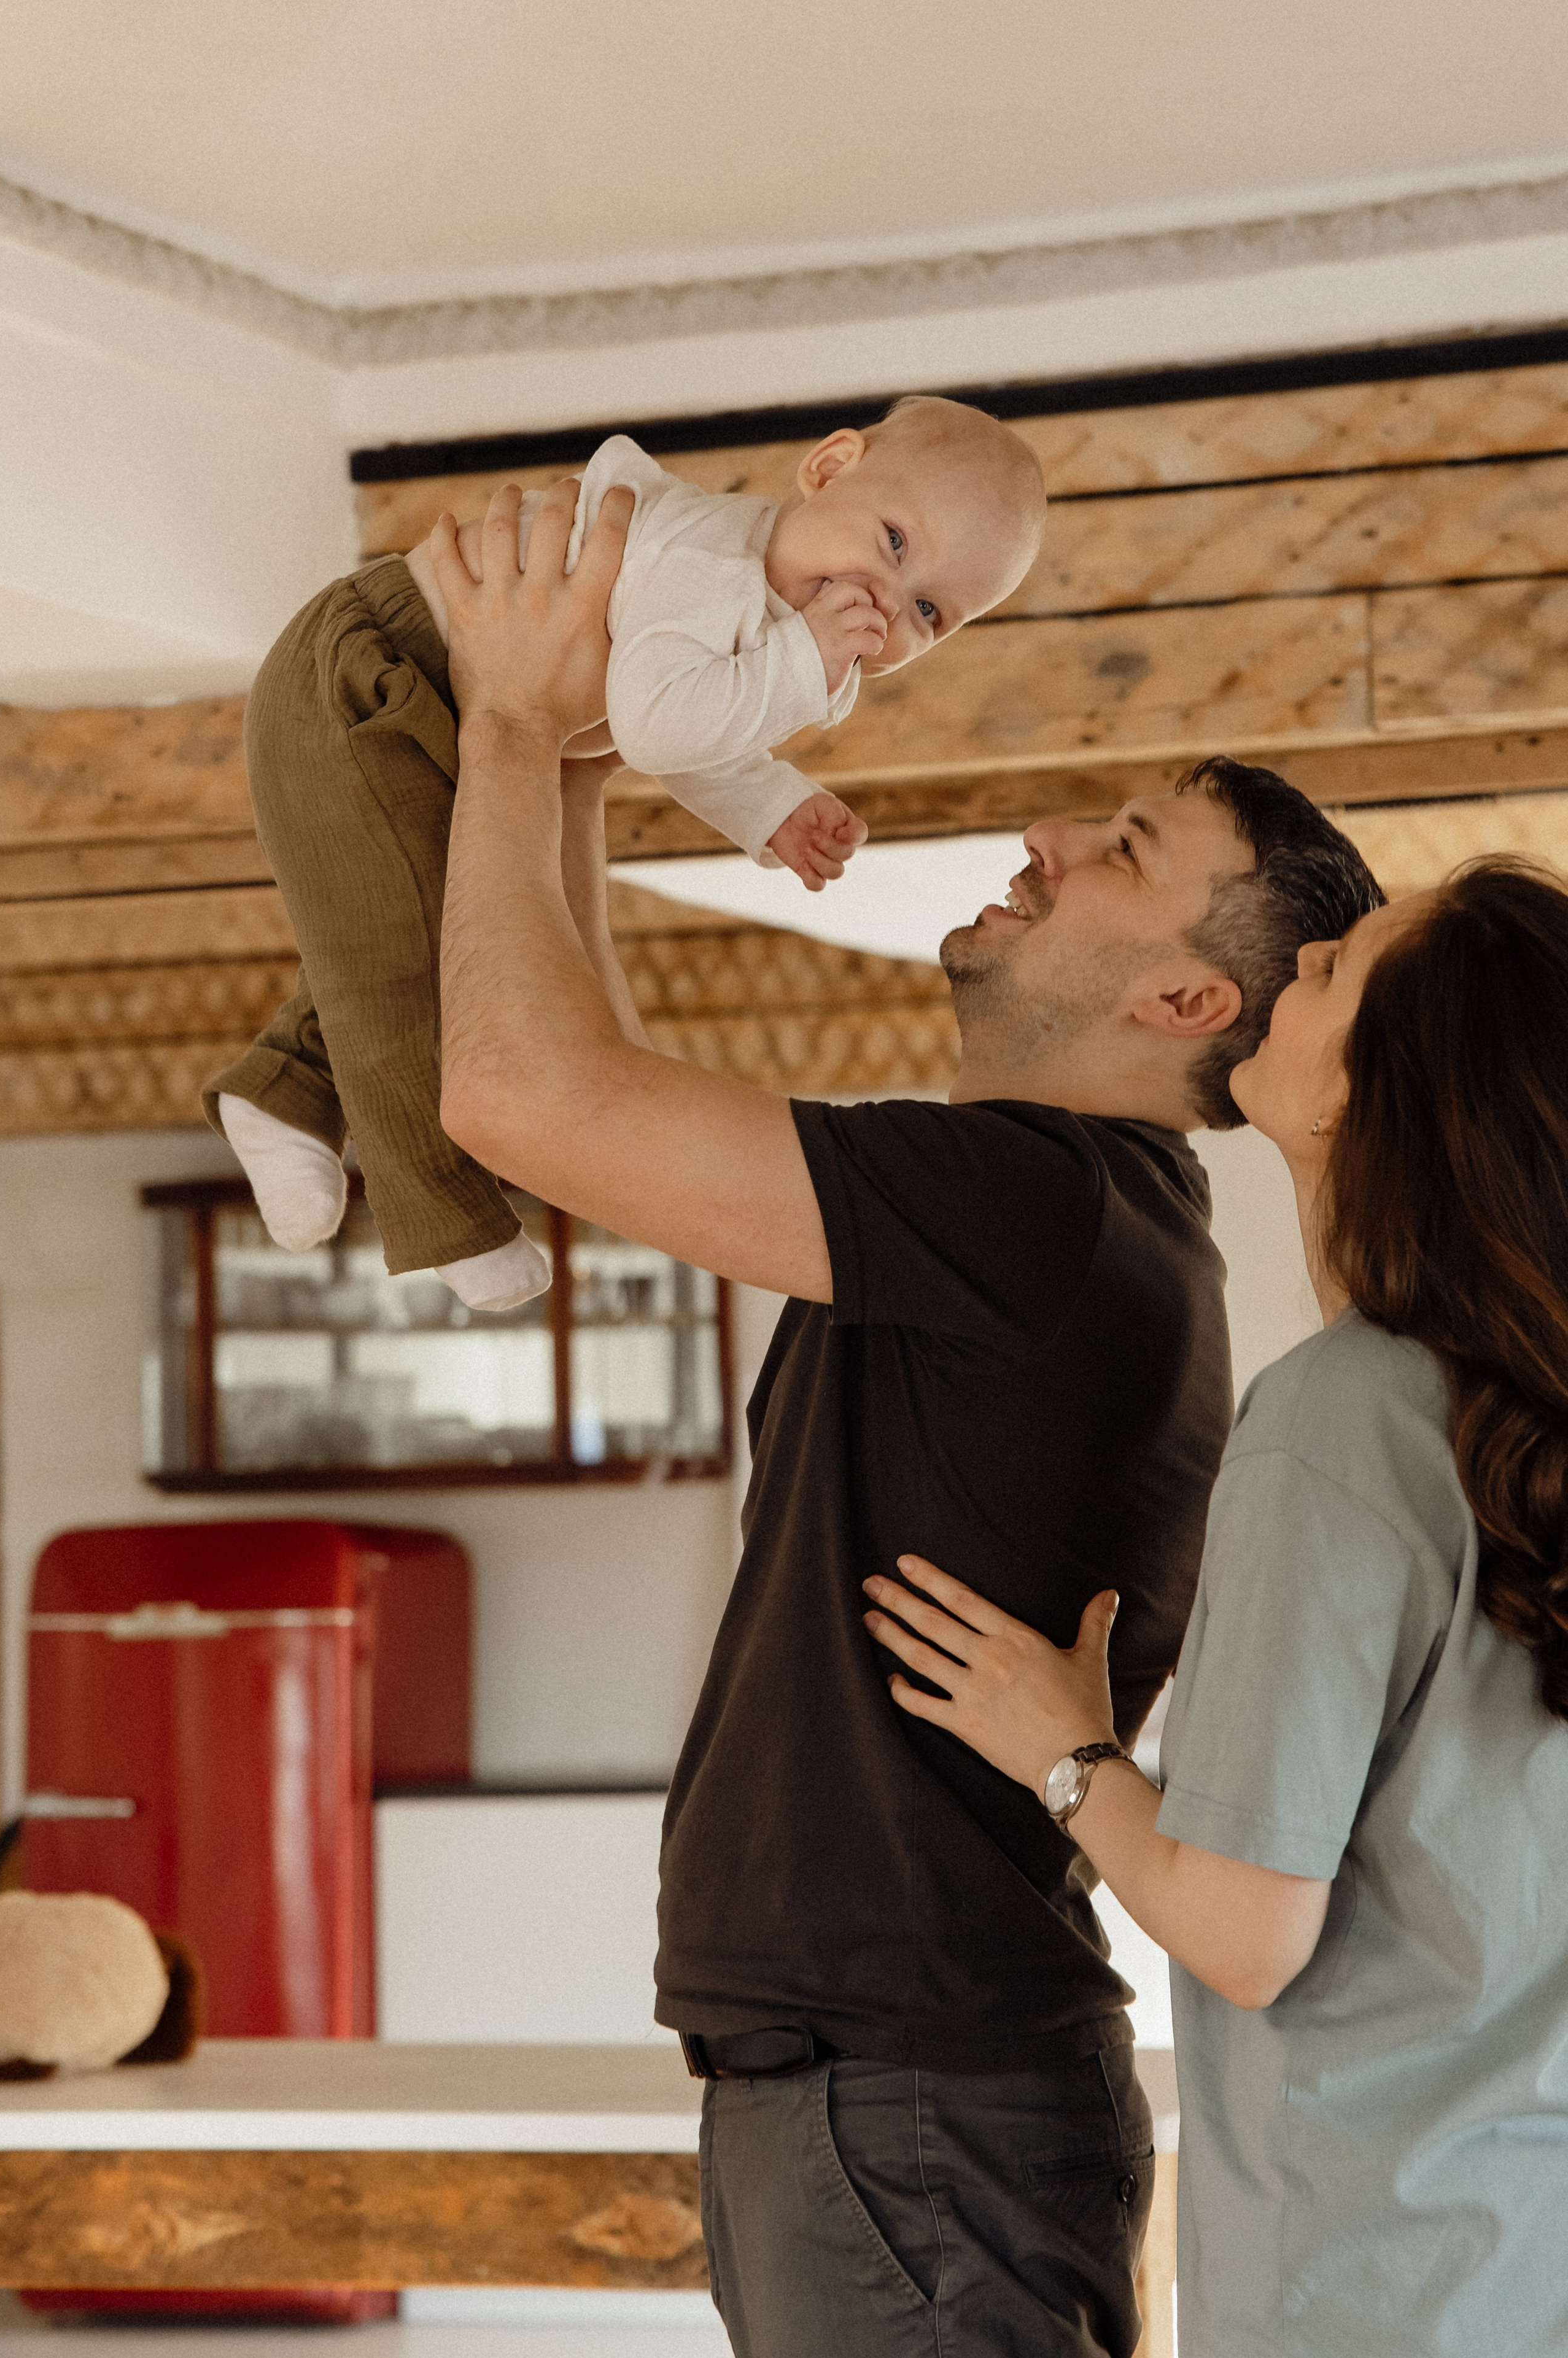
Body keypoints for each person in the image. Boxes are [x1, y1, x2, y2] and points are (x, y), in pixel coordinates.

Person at [425, 478, 1382, 2358]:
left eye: (1114, 847)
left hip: (910, 2109)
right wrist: (586, 778)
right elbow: (594, 1100)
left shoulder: (1038, 1209)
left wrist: (515, 723)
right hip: (898, 2099)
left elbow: (517, 1098)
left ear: (1188, 992)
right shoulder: (1056, 1220)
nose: (1038, 834)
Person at [862, 859, 1568, 2357]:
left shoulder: (1341, 1418)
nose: (1302, 949)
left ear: (1375, 1094)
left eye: (1338, 969)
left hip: (1362, 2286)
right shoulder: (1505, 1429)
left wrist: (1060, 1746)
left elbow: (1244, 1931)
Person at [203, 397, 1046, 1313]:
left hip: (431, 703)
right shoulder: (710, 566)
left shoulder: (793, 630)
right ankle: (442, 1217)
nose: (888, 599)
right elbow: (655, 723)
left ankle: (283, 1089)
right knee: (407, 970)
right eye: (892, 541)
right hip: (367, 672)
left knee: (420, 931)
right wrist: (800, 663)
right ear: (828, 468)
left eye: (929, 609)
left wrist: (770, 805)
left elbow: (697, 728)